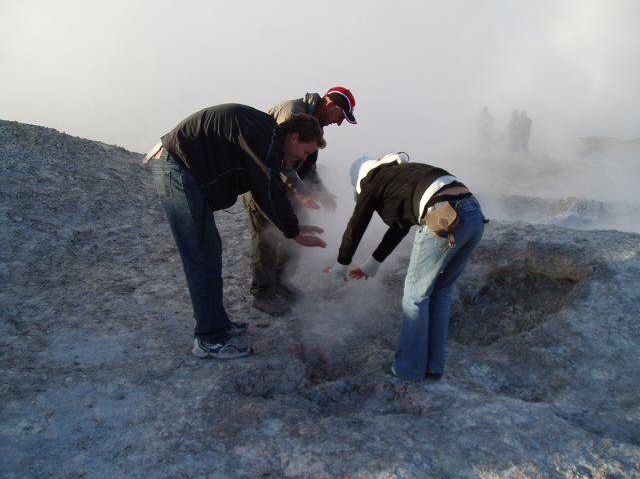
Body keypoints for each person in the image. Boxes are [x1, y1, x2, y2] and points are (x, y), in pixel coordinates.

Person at [145, 104, 328, 359]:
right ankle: (209, 339)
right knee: (202, 258)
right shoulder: (266, 139)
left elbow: (266, 187)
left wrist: (292, 226)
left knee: (210, 252)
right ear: (294, 137)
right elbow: (267, 189)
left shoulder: (267, 138)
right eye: (306, 151)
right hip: (177, 169)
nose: (304, 159)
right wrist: (293, 231)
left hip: (183, 169)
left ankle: (216, 322)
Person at [325, 152, 485, 381]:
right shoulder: (399, 175)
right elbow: (400, 226)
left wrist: (342, 264)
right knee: (440, 292)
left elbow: (356, 224)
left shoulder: (372, 181)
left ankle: (407, 369)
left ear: (359, 180)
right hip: (474, 215)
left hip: (443, 215)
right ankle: (433, 368)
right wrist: (372, 264)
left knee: (415, 297)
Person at [242, 87, 357, 315]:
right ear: (330, 105)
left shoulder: (315, 125)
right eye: (341, 116)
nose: (339, 123)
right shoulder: (293, 113)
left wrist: (321, 190)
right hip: (263, 180)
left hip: (286, 186)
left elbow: (307, 165)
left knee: (298, 227)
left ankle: (281, 281)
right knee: (266, 235)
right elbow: (278, 159)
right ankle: (263, 294)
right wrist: (302, 191)